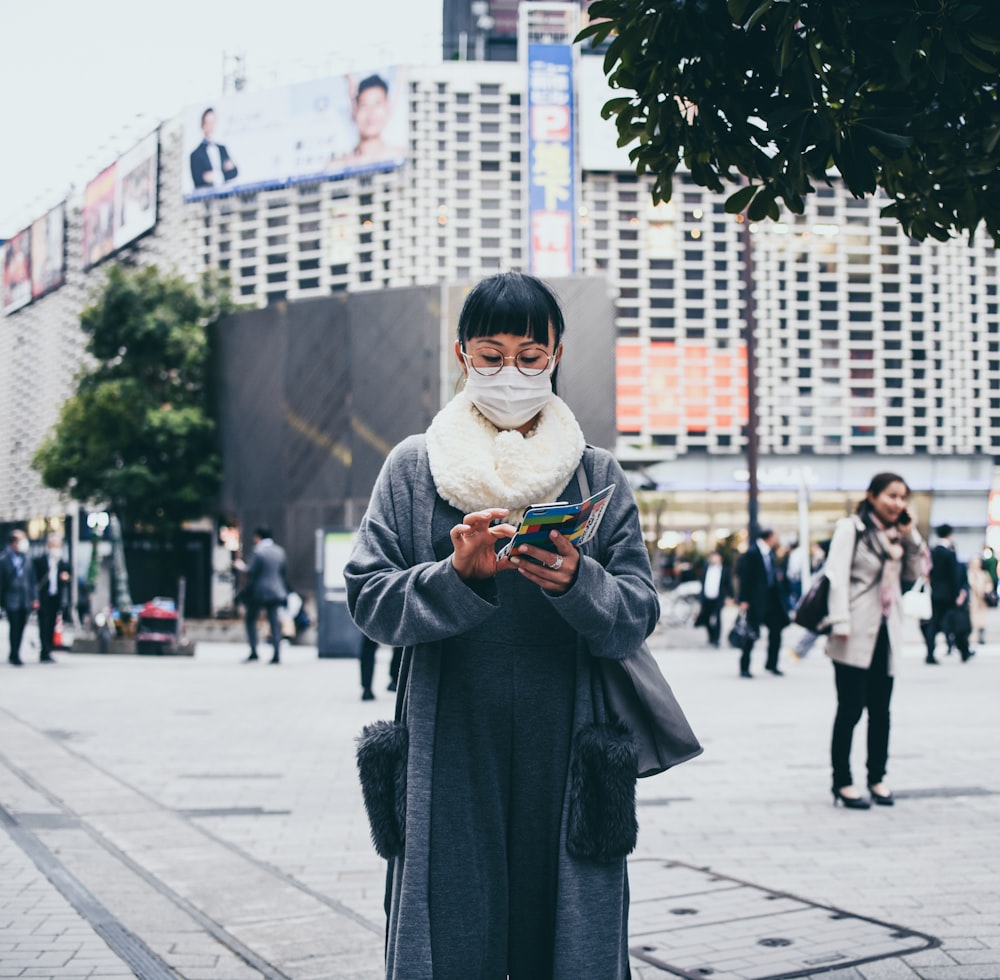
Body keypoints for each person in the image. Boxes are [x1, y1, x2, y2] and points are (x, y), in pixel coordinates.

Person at [344, 272, 659, 978]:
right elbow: (367, 599)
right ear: (461, 356)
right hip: (447, 736)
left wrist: (581, 582)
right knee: (450, 926)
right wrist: (454, 579)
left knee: (569, 936)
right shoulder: (414, 470)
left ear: (556, 354)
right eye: (490, 355)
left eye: (529, 354)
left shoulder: (593, 475)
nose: (509, 373)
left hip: (569, 738)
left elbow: (637, 614)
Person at [824, 472, 927, 809]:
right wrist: (839, 621)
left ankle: (877, 778)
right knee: (851, 709)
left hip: (887, 632)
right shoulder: (851, 529)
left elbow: (915, 574)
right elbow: (836, 576)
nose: (898, 503)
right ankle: (842, 782)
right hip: (852, 631)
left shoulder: (900, 537)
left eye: (903, 498)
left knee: (881, 712)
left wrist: (911, 537)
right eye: (892, 496)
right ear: (872, 496)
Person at [736, 527, 790, 677]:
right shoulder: (752, 553)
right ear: (770, 537)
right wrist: (744, 600)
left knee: (776, 631)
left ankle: (772, 664)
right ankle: (744, 667)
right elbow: (745, 578)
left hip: (771, 600)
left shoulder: (770, 553)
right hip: (756, 601)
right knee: (751, 634)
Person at [328, 74, 406, 170]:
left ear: (387, 108)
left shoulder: (402, 157)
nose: (371, 113)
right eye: (364, 105)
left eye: (377, 104)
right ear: (355, 110)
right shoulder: (337, 167)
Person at [237, 526, 288, 664]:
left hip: (259, 592)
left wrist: (241, 567)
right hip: (277, 591)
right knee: (274, 622)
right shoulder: (280, 551)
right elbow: (283, 572)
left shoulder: (258, 551)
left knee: (250, 619)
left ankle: (254, 651)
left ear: (258, 536)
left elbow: (252, 572)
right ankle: (277, 654)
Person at [923, 524, 971, 664]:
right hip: (949, 594)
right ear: (949, 534)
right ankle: (964, 651)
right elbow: (954, 576)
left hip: (935, 592)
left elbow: (928, 572)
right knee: (957, 622)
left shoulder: (932, 551)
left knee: (934, 623)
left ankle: (930, 653)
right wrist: (958, 594)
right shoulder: (949, 553)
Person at [0, 530, 38, 666]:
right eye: (21, 540)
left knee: (21, 626)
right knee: (14, 626)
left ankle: (15, 652)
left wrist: (35, 598)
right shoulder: (4, 560)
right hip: (11, 599)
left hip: (25, 599)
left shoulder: (27, 559)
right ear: (13, 543)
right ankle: (14, 653)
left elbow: (33, 581)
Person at [33, 534, 71, 663]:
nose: (56, 548)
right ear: (48, 546)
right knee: (43, 624)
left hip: (55, 598)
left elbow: (68, 580)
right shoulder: (39, 561)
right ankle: (44, 650)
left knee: (51, 625)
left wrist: (66, 578)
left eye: (58, 546)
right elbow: (35, 581)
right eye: (54, 545)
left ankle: (48, 649)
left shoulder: (62, 563)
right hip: (43, 598)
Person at [189, 108, 239, 189]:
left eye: (212, 123)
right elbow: (198, 181)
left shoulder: (222, 149)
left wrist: (216, 176)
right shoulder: (195, 154)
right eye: (208, 123)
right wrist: (223, 174)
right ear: (203, 125)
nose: (211, 127)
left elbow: (234, 172)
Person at [694, 550, 731, 647]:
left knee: (717, 618)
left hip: (718, 598)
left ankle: (716, 639)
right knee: (705, 618)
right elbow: (703, 583)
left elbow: (728, 585)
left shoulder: (725, 570)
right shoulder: (707, 568)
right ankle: (711, 636)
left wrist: (729, 597)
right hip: (707, 597)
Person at [966, 555, 993, 647]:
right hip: (973, 600)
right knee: (971, 619)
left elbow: (989, 584)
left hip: (982, 600)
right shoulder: (968, 574)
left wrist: (986, 591)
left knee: (982, 620)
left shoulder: (984, 574)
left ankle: (981, 637)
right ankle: (970, 637)